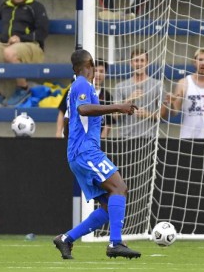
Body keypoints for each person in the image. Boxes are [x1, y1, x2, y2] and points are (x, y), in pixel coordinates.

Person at [52, 49, 141, 260]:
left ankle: (66, 239)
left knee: (109, 204)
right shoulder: (82, 83)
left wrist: (74, 144)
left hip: (78, 153)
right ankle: (115, 243)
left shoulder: (76, 86)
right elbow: (83, 110)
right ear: (90, 64)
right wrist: (118, 106)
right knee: (119, 187)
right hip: (86, 152)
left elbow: (67, 120)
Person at [161, 48, 204, 138]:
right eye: (200, 60)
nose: (203, 63)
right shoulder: (184, 82)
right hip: (187, 137)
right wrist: (170, 103)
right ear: (195, 62)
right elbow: (174, 112)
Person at [55, 59, 114, 138]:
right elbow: (62, 112)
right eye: (95, 70)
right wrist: (58, 132)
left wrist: (101, 140)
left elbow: (108, 122)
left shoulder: (107, 96)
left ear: (105, 74)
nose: (98, 74)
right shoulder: (74, 90)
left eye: (101, 71)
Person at [113, 48, 164, 138]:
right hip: (125, 138)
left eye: (142, 60)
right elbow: (115, 116)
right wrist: (128, 100)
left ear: (147, 62)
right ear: (131, 63)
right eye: (136, 60)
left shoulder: (158, 85)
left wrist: (147, 114)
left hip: (149, 137)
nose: (139, 64)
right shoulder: (120, 87)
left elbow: (163, 116)